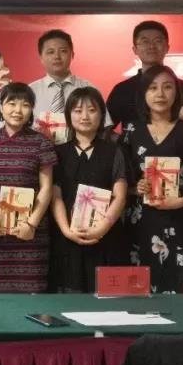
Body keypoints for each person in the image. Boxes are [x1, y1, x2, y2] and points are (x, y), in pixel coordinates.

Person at [120, 65, 183, 294]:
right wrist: (134, 188)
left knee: (177, 284)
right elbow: (119, 178)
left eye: (167, 87)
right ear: (143, 94)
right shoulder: (131, 129)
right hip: (140, 219)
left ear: (176, 93)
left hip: (176, 218)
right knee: (138, 286)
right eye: (153, 88)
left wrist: (182, 201)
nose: (160, 94)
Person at [48, 87, 129, 293]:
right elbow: (56, 196)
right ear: (68, 115)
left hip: (106, 237)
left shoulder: (114, 151)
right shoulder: (57, 153)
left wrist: (102, 228)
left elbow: (120, 196)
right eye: (77, 110)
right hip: (67, 238)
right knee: (69, 297)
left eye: (92, 110)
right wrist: (66, 230)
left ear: (102, 115)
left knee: (107, 299)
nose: (84, 116)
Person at [0, 82, 57, 293]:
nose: (17, 110)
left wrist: (31, 224)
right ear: (1, 107)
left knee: (33, 293)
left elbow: (47, 188)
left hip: (32, 233)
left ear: (31, 110)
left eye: (25, 104)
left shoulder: (41, 142)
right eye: (11, 103)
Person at [107, 20, 183, 130]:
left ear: (167, 47)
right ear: (135, 49)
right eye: (145, 42)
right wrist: (124, 139)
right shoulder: (122, 90)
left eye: (158, 41)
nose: (151, 46)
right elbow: (104, 129)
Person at [28, 30, 98, 117]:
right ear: (41, 58)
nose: (57, 56)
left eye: (63, 51)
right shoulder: (29, 92)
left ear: (72, 55)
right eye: (51, 52)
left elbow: (104, 123)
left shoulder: (89, 89)